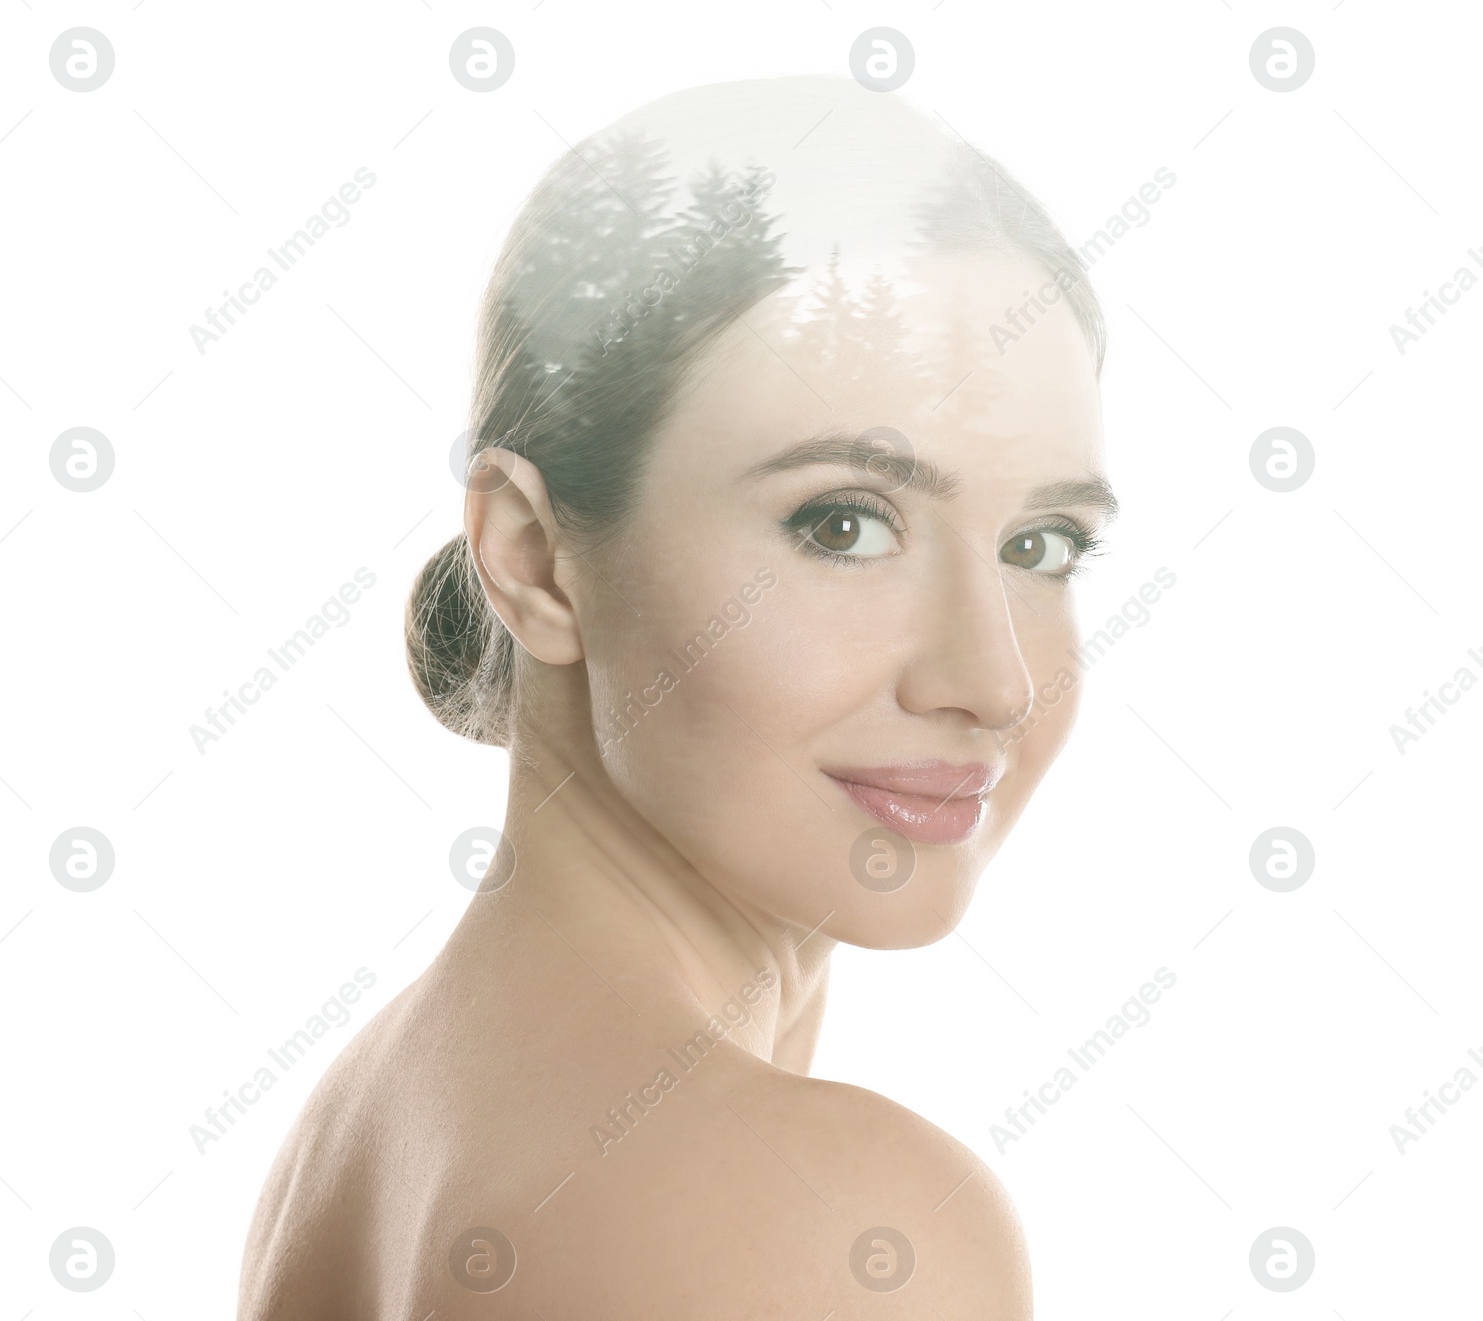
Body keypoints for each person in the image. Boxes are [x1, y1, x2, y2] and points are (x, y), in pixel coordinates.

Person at [239, 72, 1115, 1319]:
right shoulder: (834, 1226)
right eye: (844, 522)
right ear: (534, 560)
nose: (991, 681)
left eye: (1041, 546)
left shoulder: (372, 1122)